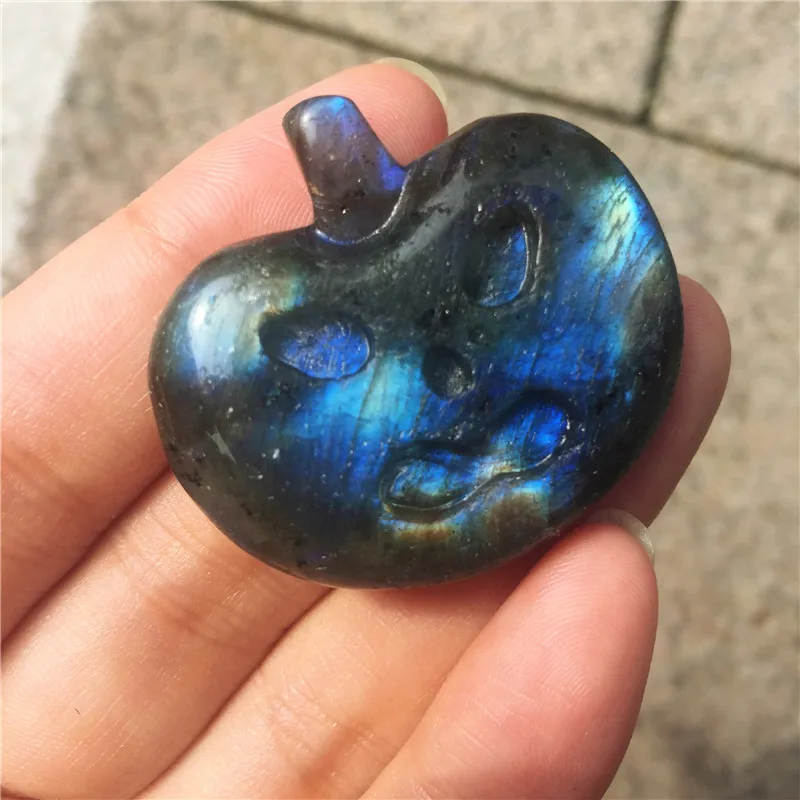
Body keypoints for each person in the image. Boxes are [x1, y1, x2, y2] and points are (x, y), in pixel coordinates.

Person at [1, 62, 730, 799]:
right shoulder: (218, 341)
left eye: (504, 267)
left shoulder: (547, 183)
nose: (455, 381)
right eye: (333, 354)